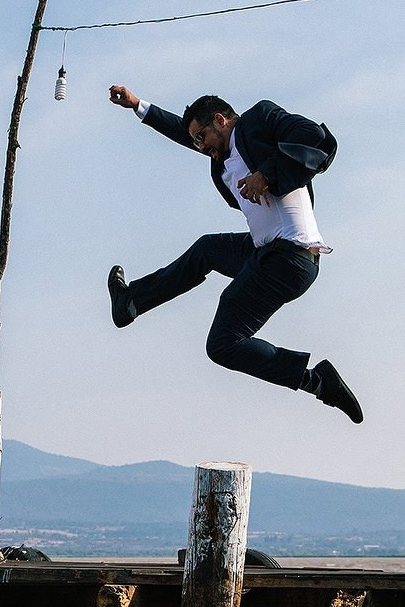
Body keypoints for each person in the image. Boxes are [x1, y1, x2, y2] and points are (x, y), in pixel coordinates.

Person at [105, 85, 363, 424]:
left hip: (289, 258)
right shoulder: (222, 155)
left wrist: (267, 173)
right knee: (207, 249)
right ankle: (132, 302)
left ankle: (316, 382)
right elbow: (186, 135)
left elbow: (316, 137)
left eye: (202, 138)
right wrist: (140, 107)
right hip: (268, 251)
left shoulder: (259, 120)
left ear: (221, 120)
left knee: (222, 343)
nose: (201, 148)